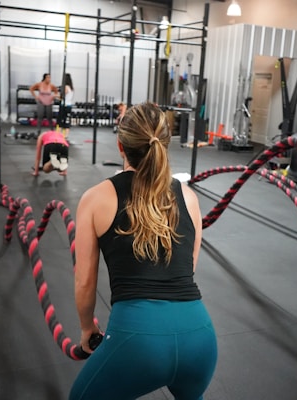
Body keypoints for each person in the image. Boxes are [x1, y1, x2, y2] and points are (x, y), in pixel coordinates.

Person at [70, 102, 217, 399]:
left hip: (139, 342)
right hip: (200, 339)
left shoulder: (95, 199)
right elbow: (187, 270)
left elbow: (85, 282)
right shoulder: (188, 197)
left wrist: (87, 328)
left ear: (120, 145)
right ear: (165, 143)